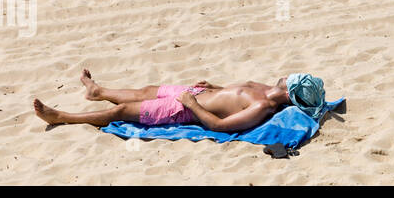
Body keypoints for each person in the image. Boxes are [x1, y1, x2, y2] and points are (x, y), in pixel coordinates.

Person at [32, 68, 325, 131]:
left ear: (290, 90)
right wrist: (215, 86)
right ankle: (98, 92)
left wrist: (191, 105)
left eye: (292, 78)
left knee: (121, 112)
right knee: (147, 89)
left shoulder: (264, 105)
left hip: (185, 108)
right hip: (196, 92)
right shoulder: (264, 87)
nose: (287, 74)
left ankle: (60, 117)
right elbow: (234, 93)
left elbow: (221, 127)